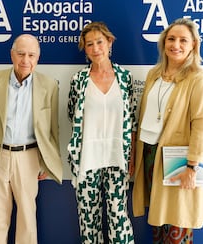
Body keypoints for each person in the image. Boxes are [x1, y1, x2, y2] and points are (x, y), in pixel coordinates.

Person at [0, 33, 63, 244]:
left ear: (38, 58)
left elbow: (52, 129)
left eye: (31, 55)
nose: (25, 60)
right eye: (21, 54)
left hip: (29, 157)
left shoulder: (49, 85)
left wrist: (47, 161)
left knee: (27, 217)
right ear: (12, 55)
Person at [132, 18, 203, 243]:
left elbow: (201, 124)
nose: (175, 44)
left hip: (178, 160)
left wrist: (192, 165)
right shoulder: (153, 74)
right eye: (171, 39)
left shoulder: (198, 79)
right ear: (163, 43)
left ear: (193, 45)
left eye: (183, 40)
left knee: (178, 221)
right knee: (158, 219)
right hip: (150, 155)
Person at [67, 21, 136, 244]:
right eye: (89, 44)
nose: (95, 48)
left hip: (117, 158)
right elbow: (72, 114)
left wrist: (132, 155)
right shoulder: (79, 80)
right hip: (87, 160)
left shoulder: (125, 78)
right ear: (84, 49)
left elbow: (132, 120)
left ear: (109, 42)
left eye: (99, 42)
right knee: (88, 220)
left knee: (119, 216)